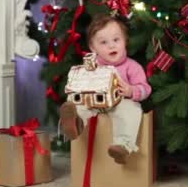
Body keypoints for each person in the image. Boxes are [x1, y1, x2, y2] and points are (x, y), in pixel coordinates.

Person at [60, 14, 151, 164]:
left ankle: (122, 146)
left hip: (120, 103)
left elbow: (145, 89)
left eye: (116, 40)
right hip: (94, 102)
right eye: (103, 42)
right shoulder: (92, 66)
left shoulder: (131, 67)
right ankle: (75, 123)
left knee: (131, 111)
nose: (111, 45)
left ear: (125, 41)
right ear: (93, 47)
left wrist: (130, 90)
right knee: (79, 105)